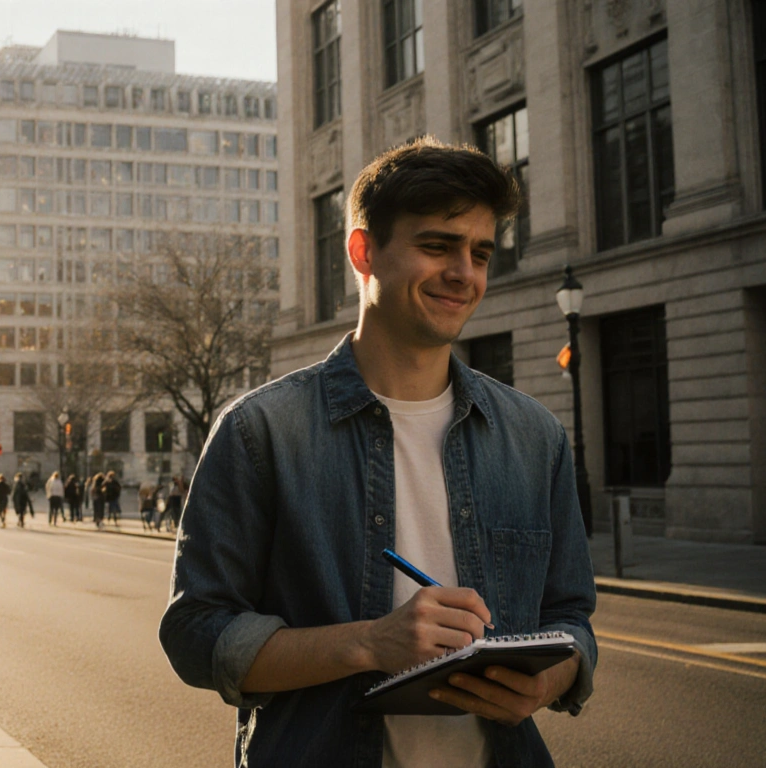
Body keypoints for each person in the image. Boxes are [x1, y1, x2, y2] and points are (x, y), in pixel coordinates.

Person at [158, 138, 597, 767]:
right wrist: (370, 644)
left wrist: (546, 680)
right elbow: (196, 634)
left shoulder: (534, 436)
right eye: (437, 246)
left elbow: (572, 618)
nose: (464, 274)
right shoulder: (262, 432)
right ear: (363, 252)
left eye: (479, 253)